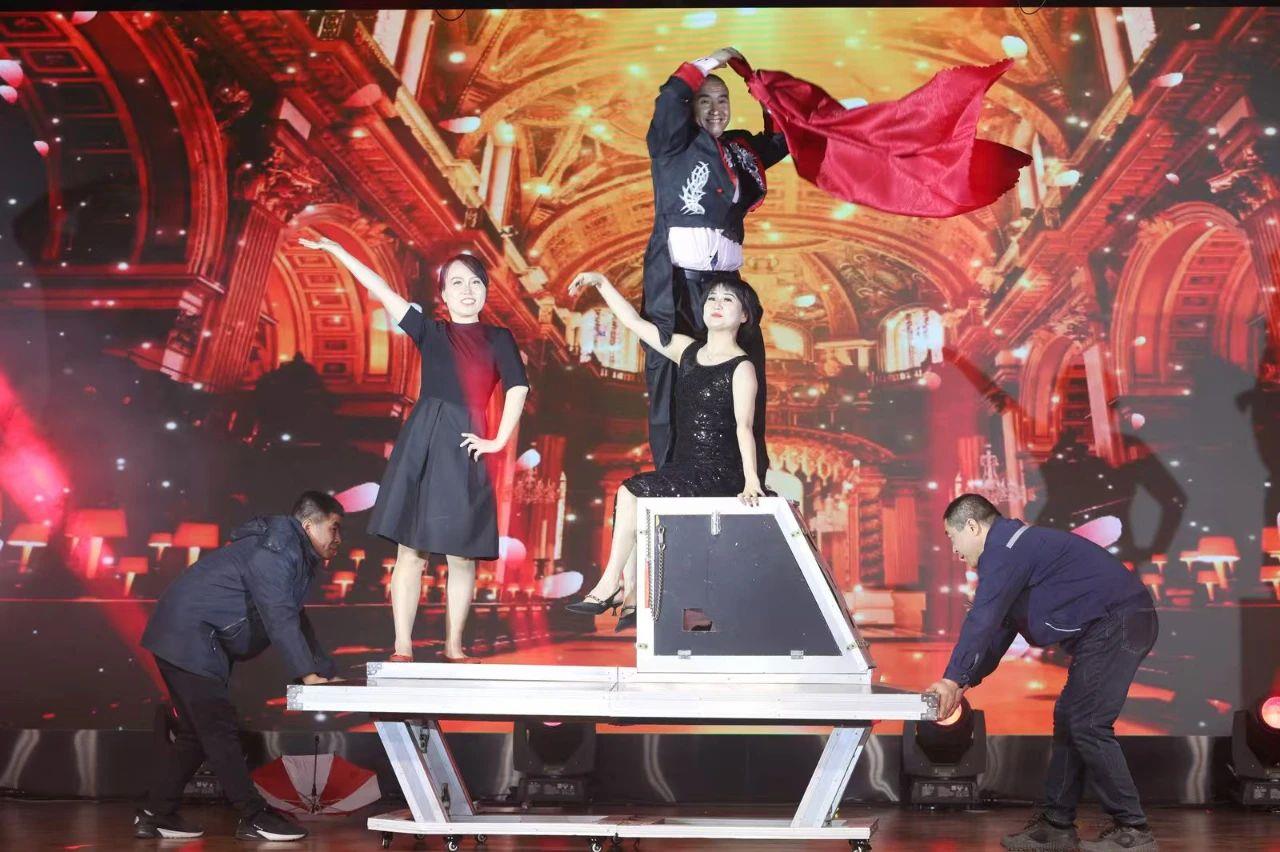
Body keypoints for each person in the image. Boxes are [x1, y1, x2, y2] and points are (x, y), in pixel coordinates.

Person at [299, 236, 529, 662]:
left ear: (485, 290)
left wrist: (498, 439)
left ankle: (454, 645)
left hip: (466, 442)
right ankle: (402, 645)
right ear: (444, 295)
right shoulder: (430, 330)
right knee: (410, 550)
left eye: (475, 282)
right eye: (457, 283)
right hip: (422, 439)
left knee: (463, 555)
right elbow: (381, 288)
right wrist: (337, 251)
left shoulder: (499, 338)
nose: (467, 290)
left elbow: (518, 388)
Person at [927, 494, 1159, 852]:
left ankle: (1133, 830)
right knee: (1070, 718)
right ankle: (1056, 826)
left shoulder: (1005, 550)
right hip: (1109, 627)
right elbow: (999, 631)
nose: (954, 549)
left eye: (951, 537)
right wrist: (963, 681)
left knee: (1087, 722)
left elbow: (982, 619)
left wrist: (950, 679)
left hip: (1120, 622)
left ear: (971, 526)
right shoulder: (1013, 551)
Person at [135, 491, 344, 842]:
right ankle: (254, 815)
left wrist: (322, 670)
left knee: (195, 734)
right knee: (218, 728)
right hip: (189, 635)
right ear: (309, 525)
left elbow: (295, 616)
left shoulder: (291, 552)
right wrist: (308, 675)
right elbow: (280, 616)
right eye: (334, 528)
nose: (339, 539)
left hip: (185, 634)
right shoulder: (277, 551)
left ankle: (156, 813)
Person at [565, 270, 765, 631]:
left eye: (728, 300)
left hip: (718, 471)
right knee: (632, 497)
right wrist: (602, 283)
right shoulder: (686, 351)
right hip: (684, 466)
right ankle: (628, 594)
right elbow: (634, 323)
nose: (717, 304)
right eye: (712, 298)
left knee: (630, 491)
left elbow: (744, 427)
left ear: (745, 315)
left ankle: (611, 586)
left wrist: (751, 480)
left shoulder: (742, 367)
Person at [641, 46, 788, 481]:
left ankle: (747, 476)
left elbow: (782, 138)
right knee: (673, 379)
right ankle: (673, 475)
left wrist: (760, 90)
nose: (715, 109)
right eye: (704, 100)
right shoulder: (672, 143)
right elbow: (671, 96)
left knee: (744, 373)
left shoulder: (740, 150)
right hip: (679, 289)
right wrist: (711, 61)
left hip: (726, 286)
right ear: (691, 107)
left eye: (722, 100)